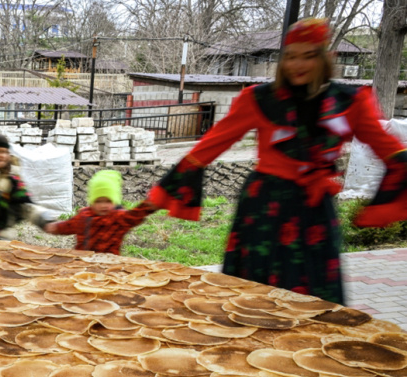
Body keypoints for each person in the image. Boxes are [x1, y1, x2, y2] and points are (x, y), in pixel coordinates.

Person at [147, 18, 407, 305]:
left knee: (316, 301)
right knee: (252, 298)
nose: (298, 64)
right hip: (263, 211)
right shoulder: (259, 99)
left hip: (314, 215)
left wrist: (385, 206)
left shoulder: (351, 101)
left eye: (309, 55)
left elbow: (392, 152)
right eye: (291, 56)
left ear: (325, 57)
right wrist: (142, 211)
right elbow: (206, 150)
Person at [45, 170, 160, 254]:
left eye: (108, 201)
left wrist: (152, 203)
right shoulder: (83, 217)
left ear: (115, 201)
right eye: (98, 201)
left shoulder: (119, 218)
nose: (103, 205)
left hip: (109, 266)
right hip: (82, 264)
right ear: (91, 202)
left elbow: (136, 215)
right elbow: (67, 226)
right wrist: (53, 227)